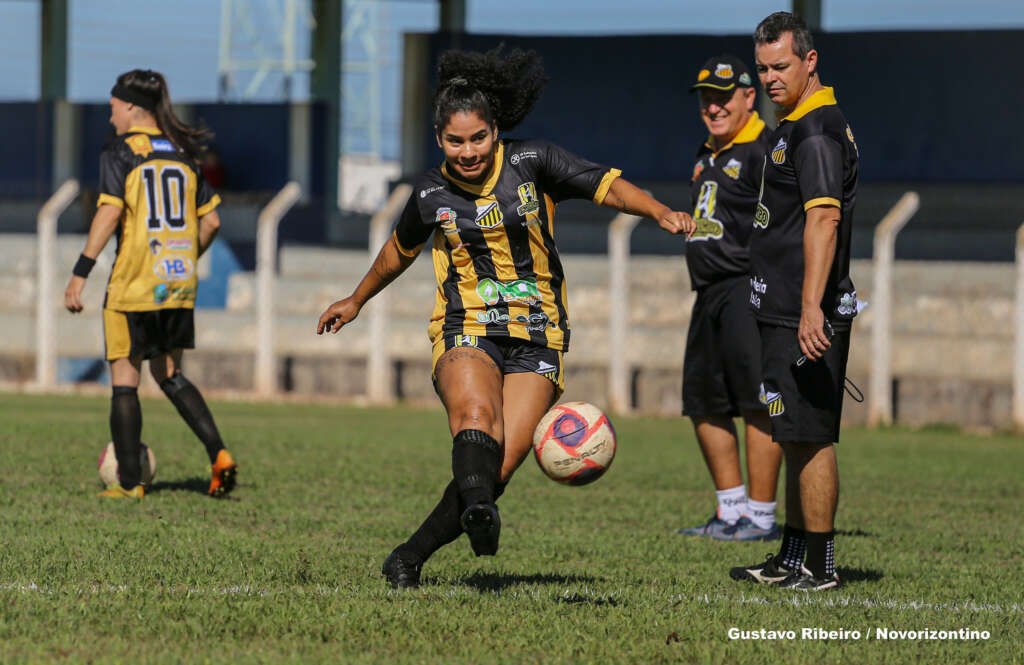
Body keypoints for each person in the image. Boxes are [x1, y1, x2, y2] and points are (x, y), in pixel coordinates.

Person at [317, 46, 695, 588]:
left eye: (477, 138)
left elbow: (605, 183)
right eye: (454, 140)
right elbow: (399, 250)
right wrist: (356, 299)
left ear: (495, 131)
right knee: (475, 415)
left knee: (494, 470)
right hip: (466, 324)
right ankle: (478, 515)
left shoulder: (533, 161)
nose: (467, 151)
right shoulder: (429, 193)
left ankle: (409, 556)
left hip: (539, 333)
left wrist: (658, 211)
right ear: (439, 139)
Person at [729, 12, 859, 591]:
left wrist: (812, 308)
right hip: (778, 308)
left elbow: (824, 220)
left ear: (810, 61)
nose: (769, 78)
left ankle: (822, 567)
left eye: (780, 66)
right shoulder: (791, 122)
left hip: (805, 314)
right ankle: (791, 555)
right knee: (787, 431)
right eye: (762, 68)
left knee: (809, 435)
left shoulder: (816, 131)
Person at [65, 69, 238, 500]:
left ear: (128, 107)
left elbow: (108, 213)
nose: (110, 120)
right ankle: (219, 454)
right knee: (170, 373)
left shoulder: (121, 152)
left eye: (112, 110)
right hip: (176, 283)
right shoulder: (182, 152)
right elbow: (212, 221)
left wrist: (80, 272)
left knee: (126, 379)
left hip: (133, 283)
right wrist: (184, 258)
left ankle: (128, 483)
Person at [676, 54, 782, 542]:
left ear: (748, 96)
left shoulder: (764, 148)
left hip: (747, 288)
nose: (713, 107)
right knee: (704, 401)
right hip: (708, 292)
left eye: (722, 97)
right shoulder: (706, 152)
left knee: (758, 402)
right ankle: (729, 511)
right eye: (705, 99)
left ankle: (760, 517)